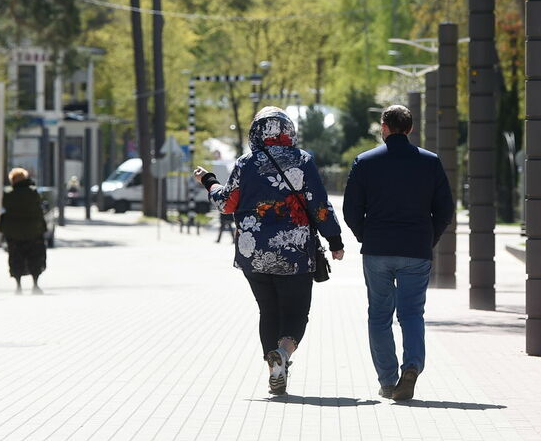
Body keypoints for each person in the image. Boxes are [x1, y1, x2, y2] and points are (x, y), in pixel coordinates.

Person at [195, 106, 345, 396]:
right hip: (294, 252)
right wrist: (335, 241)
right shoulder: (303, 161)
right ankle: (283, 354)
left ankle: (274, 369)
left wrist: (208, 181)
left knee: (268, 310)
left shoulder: (245, 163)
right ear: (288, 130)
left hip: (254, 253)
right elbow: (318, 204)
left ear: (256, 132)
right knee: (296, 312)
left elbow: (226, 204)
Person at [342, 104, 454, 401]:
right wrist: (428, 238)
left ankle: (388, 380)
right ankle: (412, 366)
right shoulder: (430, 162)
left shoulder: (365, 162)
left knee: (379, 316)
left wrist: (365, 235)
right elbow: (445, 210)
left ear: (384, 127)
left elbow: (351, 210)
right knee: (412, 313)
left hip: (377, 249)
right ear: (410, 128)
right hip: (416, 249)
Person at [0, 167, 48, 295]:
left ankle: (18, 286)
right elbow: (39, 205)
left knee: (16, 258)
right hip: (34, 231)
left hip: (14, 232)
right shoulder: (33, 192)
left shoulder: (9, 194)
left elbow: (5, 206)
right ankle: (35, 285)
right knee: (35, 257)